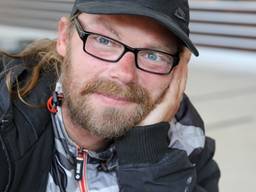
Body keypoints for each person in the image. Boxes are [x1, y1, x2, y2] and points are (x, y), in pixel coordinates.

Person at [0, 0, 220, 191]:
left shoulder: (189, 149)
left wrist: (149, 158)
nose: (124, 74)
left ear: (178, 69)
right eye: (104, 40)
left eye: (153, 55)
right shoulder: (6, 121)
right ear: (64, 39)